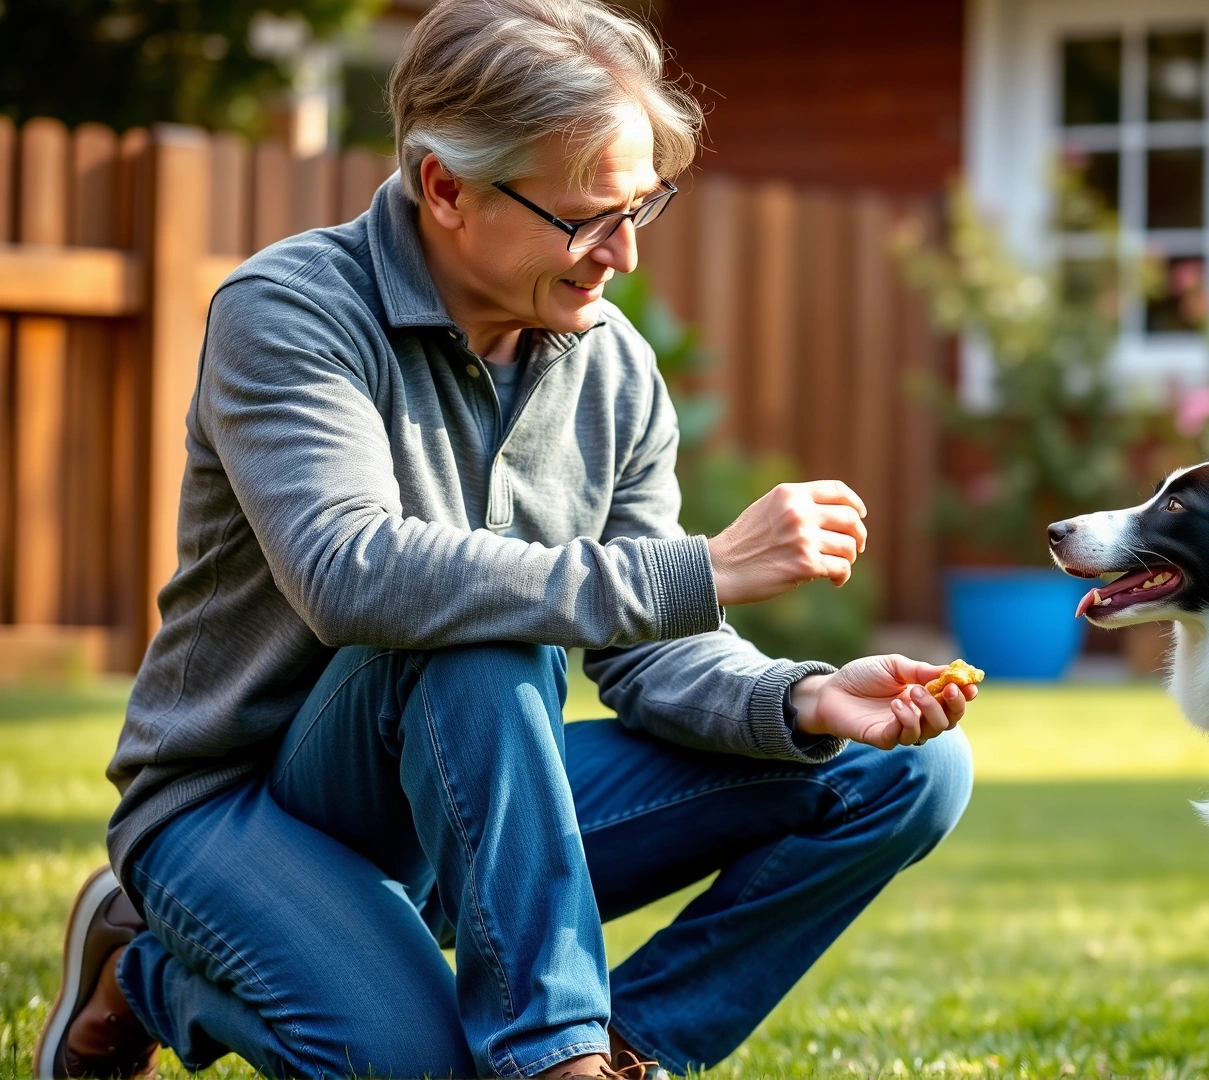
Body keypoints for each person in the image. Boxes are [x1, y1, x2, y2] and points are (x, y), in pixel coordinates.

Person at [34, 2, 975, 1076]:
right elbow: (354, 573)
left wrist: (798, 700)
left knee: (905, 772)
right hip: (240, 806)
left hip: (478, 796)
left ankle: (600, 1053)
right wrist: (706, 567)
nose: (621, 253)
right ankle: (147, 968)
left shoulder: (611, 365)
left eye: (642, 208)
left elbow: (646, 648)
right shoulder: (291, 314)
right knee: (476, 647)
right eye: (587, 217)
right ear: (446, 188)